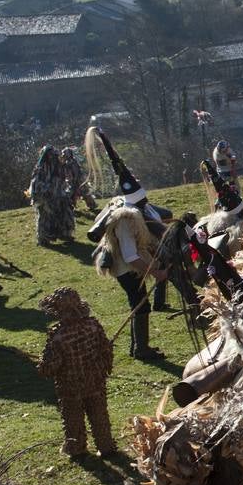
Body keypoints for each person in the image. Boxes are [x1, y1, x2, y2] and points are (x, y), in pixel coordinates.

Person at [85, 126, 168, 360]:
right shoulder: (125, 218)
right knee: (140, 304)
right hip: (125, 267)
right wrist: (155, 272)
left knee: (140, 304)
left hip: (134, 262)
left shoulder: (139, 207)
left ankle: (138, 348)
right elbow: (131, 256)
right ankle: (141, 349)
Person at [37, 287, 116, 459]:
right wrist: (104, 368)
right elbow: (105, 349)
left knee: (73, 419)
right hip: (95, 380)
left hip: (70, 386)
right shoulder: (93, 326)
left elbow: (51, 367)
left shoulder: (59, 336)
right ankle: (106, 446)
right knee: (99, 415)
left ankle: (77, 448)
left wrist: (42, 365)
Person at [28, 145, 75, 245]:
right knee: (45, 217)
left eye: (53, 155)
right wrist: (46, 191)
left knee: (65, 213)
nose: (52, 157)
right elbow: (36, 183)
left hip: (59, 194)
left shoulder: (59, 167)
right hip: (45, 196)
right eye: (50, 155)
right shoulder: (40, 168)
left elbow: (64, 179)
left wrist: (63, 190)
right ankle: (44, 239)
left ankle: (65, 234)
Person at [59, 146, 101, 216]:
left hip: (78, 181)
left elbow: (75, 173)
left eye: (65, 154)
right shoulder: (68, 163)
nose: (63, 155)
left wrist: (75, 182)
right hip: (72, 181)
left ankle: (92, 206)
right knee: (71, 195)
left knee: (84, 193)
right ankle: (71, 208)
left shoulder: (71, 162)